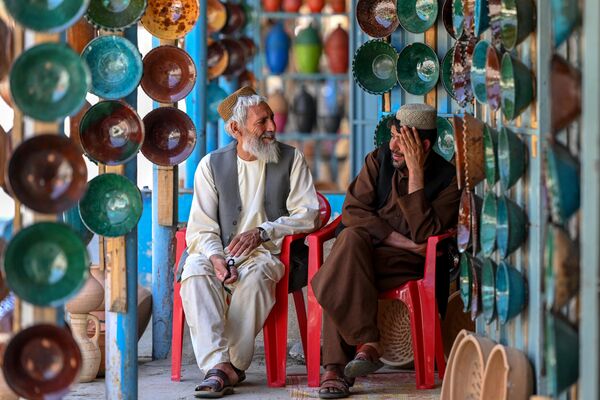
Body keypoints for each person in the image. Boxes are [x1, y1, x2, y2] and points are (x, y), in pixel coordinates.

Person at [311, 103, 461, 399]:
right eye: (392, 135)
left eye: (402, 140)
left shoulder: (448, 180)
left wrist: (416, 175)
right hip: (371, 252)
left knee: (341, 268)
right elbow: (353, 211)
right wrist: (401, 240)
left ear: (424, 145)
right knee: (350, 241)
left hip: (408, 266)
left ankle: (333, 369)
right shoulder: (378, 160)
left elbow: (427, 235)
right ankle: (368, 343)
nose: (392, 145)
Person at [179, 86, 320, 398]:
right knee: (194, 271)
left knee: (256, 278)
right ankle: (220, 366)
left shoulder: (291, 159)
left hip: (268, 254)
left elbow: (310, 214)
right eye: (262, 122)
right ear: (235, 129)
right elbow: (201, 229)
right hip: (220, 252)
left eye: (271, 118)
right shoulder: (210, 166)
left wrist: (264, 231)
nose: (272, 127)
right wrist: (216, 258)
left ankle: (229, 366)